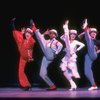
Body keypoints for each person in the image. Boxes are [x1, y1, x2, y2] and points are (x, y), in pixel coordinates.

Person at [30, 19, 63, 90]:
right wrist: (44, 34)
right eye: (50, 33)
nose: (51, 34)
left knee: (45, 44)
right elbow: (41, 40)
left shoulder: (57, 42)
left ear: (55, 35)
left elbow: (61, 46)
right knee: (42, 74)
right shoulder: (47, 41)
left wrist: (56, 53)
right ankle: (52, 86)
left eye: (53, 33)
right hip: (46, 57)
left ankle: (34, 28)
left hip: (51, 54)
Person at [60, 20, 85, 91]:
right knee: (64, 71)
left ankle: (66, 28)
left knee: (71, 71)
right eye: (72, 34)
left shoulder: (76, 41)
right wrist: (66, 34)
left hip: (71, 56)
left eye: (74, 35)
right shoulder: (67, 39)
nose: (73, 36)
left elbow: (83, 45)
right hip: (66, 56)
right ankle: (72, 84)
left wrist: (76, 51)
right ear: (70, 35)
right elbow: (62, 37)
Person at [12, 19, 36, 91]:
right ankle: (26, 85)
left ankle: (27, 85)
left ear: (31, 34)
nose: (27, 34)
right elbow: (17, 35)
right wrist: (12, 24)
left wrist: (32, 26)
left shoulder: (32, 41)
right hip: (22, 57)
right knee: (20, 71)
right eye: (26, 33)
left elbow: (32, 38)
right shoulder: (22, 40)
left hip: (28, 57)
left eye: (29, 33)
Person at [78, 19, 100, 90]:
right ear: (90, 33)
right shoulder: (88, 38)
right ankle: (94, 85)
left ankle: (85, 27)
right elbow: (79, 36)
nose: (93, 33)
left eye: (95, 33)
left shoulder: (98, 41)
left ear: (96, 34)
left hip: (94, 54)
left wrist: (98, 51)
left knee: (90, 42)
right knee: (86, 72)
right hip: (88, 56)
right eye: (92, 32)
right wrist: (86, 32)